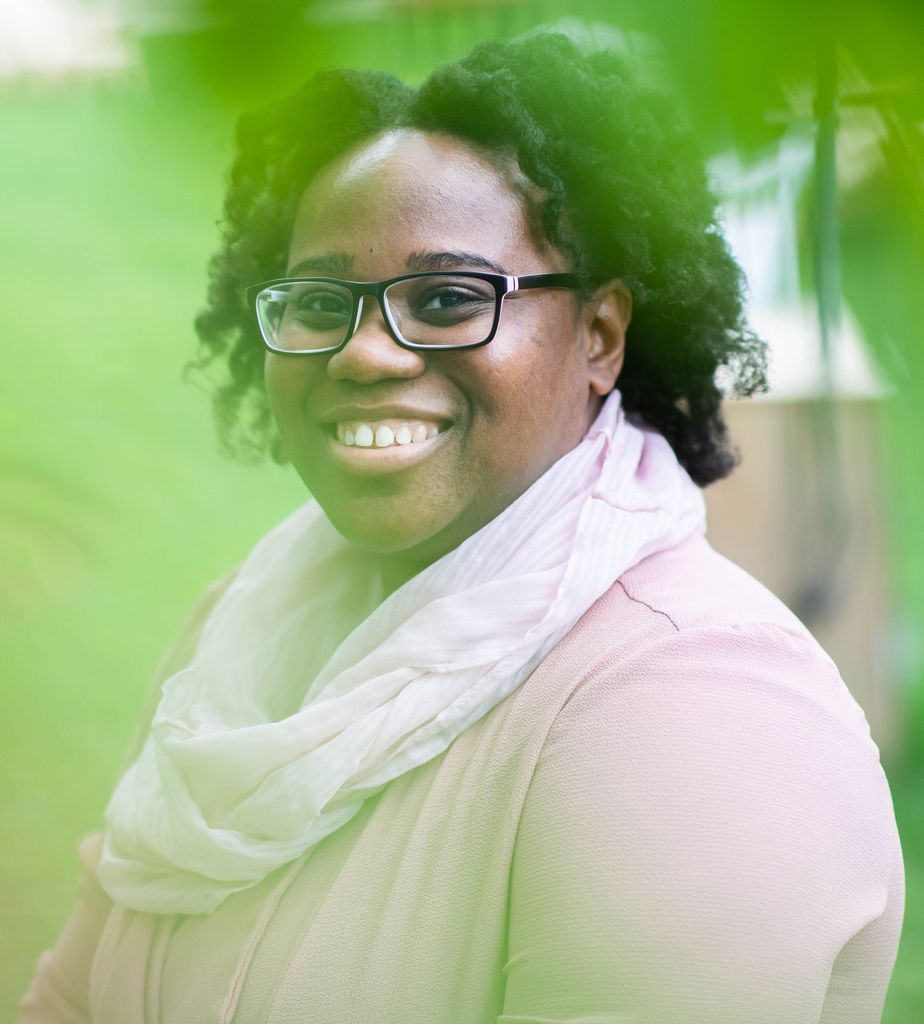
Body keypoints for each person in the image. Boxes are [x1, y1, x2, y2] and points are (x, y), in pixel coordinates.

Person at [19, 29, 904, 1024]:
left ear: (601, 335)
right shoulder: (242, 634)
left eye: (446, 298)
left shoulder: (692, 707)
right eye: (319, 302)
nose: (364, 353)